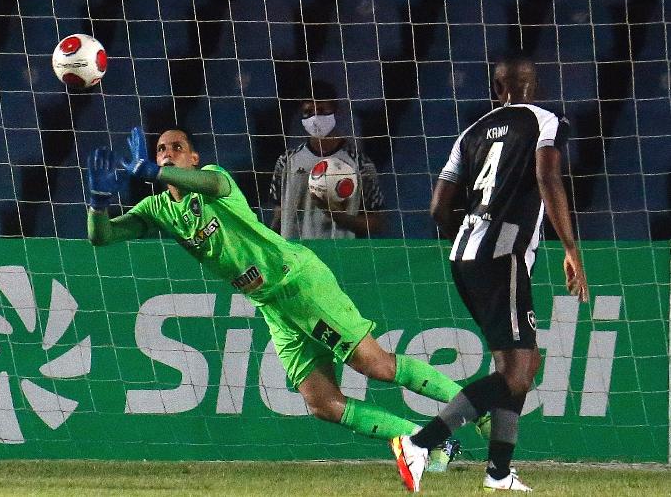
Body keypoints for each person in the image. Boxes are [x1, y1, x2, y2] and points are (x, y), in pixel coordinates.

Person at [87, 126, 487, 462]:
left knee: (376, 366)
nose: (168, 153)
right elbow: (102, 237)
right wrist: (98, 203)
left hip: (296, 280)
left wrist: (153, 173)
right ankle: (430, 446)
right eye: (161, 150)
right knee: (323, 403)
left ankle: (478, 407)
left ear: (194, 158)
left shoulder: (212, 179)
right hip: (271, 304)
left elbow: (209, 182)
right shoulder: (159, 210)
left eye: (178, 148)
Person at [391, 58, 589, 493]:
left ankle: (499, 472)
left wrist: (466, 238)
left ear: (498, 88)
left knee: (516, 363)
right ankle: (420, 443)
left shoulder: (470, 132)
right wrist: (571, 248)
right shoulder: (545, 121)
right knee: (518, 372)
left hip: (465, 252)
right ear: (532, 86)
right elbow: (547, 175)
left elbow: (438, 208)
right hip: (505, 255)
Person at [271, 80, 384, 238]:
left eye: (322, 110)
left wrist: (342, 219)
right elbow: (279, 215)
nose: (315, 117)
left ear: (335, 110)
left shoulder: (361, 164)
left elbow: (377, 222)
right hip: (297, 256)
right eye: (308, 112)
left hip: (340, 256)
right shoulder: (286, 162)